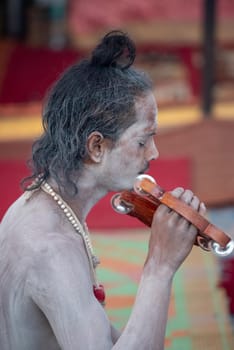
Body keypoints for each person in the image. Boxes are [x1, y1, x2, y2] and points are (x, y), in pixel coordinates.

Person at [0, 30, 206, 350]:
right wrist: (159, 267)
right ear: (96, 146)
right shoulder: (52, 249)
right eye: (142, 140)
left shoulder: (39, 207)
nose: (154, 154)